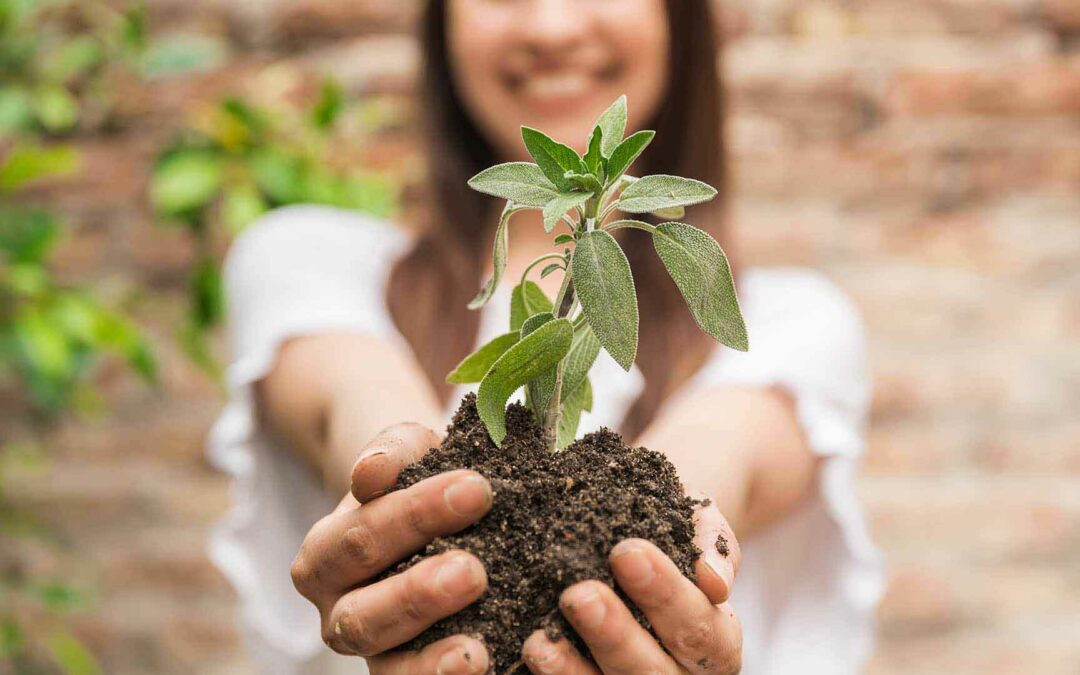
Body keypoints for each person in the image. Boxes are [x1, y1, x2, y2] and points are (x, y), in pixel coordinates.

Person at [207, 1, 884, 673]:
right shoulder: (309, 259)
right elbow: (352, 399)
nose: (552, 26)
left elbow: (722, 445)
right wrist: (409, 494)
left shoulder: (795, 320)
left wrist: (655, 543)